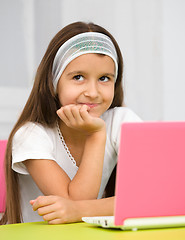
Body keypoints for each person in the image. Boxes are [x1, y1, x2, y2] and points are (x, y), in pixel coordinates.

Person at [0, 21, 141, 225]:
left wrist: (78, 209)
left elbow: (156, 195)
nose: (92, 92)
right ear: (54, 82)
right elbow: (71, 207)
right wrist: (95, 136)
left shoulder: (122, 121)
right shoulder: (30, 135)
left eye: (104, 78)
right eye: (78, 77)